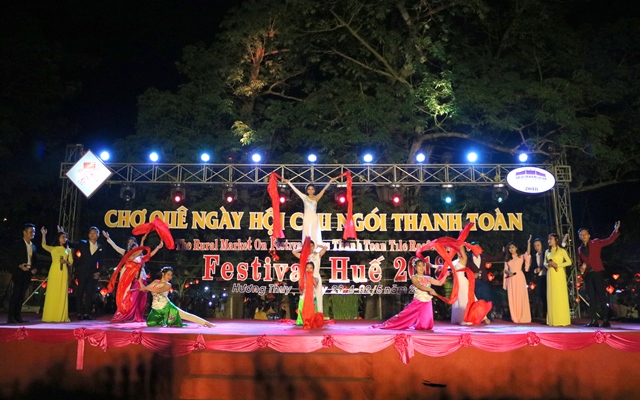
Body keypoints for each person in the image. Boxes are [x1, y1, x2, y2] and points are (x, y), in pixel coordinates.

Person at [373, 259, 447, 330]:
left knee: (426, 326)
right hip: (418, 301)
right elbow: (420, 286)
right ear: (415, 267)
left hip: (427, 302)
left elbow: (439, 283)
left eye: (423, 265)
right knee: (405, 315)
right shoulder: (414, 277)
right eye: (419, 266)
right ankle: (389, 324)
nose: (421, 268)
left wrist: (446, 275)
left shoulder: (428, 278)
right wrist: (430, 289)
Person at [105, 232, 161, 322]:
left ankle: (137, 317)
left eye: (136, 247)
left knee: (141, 300)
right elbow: (116, 247)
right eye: (132, 247)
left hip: (142, 279)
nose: (137, 250)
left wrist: (158, 247)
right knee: (131, 299)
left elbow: (149, 255)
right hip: (133, 280)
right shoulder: (129, 257)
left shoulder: (140, 257)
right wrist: (109, 239)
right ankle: (124, 315)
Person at [578, 221, 621, 328]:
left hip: (597, 272)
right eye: (581, 234)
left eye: (585, 234)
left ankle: (606, 320)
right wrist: (581, 268)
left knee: (602, 296)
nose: (583, 236)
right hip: (588, 275)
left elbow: (609, 240)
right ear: (579, 237)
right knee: (591, 297)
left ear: (589, 235)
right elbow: (580, 263)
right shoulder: (580, 249)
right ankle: (594, 320)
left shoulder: (595, 243)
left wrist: (615, 231)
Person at [139, 266, 214, 327]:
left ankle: (206, 323)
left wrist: (146, 288)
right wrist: (140, 282)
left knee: (186, 315)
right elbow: (144, 289)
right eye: (168, 274)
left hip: (167, 307)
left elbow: (158, 290)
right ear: (163, 274)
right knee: (150, 323)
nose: (170, 276)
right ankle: (162, 320)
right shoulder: (155, 282)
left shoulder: (168, 285)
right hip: (156, 309)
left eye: (171, 275)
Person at [284, 177, 338, 246]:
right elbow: (296, 190)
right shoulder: (304, 197)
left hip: (314, 218)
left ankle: (315, 248)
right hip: (306, 218)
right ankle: (306, 248)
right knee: (306, 234)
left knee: (314, 233)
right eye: (309, 189)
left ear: (314, 190)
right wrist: (289, 182)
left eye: (312, 189)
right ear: (307, 191)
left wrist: (330, 181)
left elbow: (324, 189)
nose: (310, 190)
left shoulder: (316, 198)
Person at [68, 226, 104, 321]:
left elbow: (100, 261)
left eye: (95, 233)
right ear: (88, 234)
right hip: (82, 272)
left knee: (90, 294)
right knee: (79, 293)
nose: (92, 234)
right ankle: (79, 313)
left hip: (92, 274)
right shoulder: (82, 243)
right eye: (91, 233)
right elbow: (72, 244)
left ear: (98, 235)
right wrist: (63, 236)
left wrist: (98, 272)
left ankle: (87, 313)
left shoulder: (100, 247)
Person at [40, 227, 73, 322]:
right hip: (54, 270)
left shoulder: (68, 250)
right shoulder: (53, 249)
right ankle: (50, 315)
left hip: (63, 271)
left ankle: (60, 315)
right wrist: (43, 235)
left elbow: (71, 262)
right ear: (58, 238)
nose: (65, 239)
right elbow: (43, 245)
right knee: (52, 291)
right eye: (63, 237)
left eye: (65, 237)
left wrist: (65, 261)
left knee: (62, 292)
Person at [7, 223, 38, 323]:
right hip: (19, 272)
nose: (33, 233)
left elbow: (34, 260)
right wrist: (19, 265)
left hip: (28, 273)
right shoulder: (18, 244)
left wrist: (34, 268)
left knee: (22, 295)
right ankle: (11, 316)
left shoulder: (33, 246)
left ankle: (18, 315)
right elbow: (11, 258)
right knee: (16, 294)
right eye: (31, 231)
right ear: (24, 232)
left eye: (34, 232)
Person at [465, 242, 504, 321]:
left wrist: (502, 252)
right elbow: (466, 270)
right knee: (478, 299)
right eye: (475, 247)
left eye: (478, 247)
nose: (477, 248)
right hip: (475, 282)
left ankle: (489, 316)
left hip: (484, 280)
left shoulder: (483, 256)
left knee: (487, 298)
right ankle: (479, 317)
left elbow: (494, 258)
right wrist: (472, 275)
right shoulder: (468, 259)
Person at [292, 240, 328, 316]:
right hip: (306, 278)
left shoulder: (317, 254)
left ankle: (316, 315)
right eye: (309, 246)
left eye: (312, 246)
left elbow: (325, 248)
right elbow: (294, 252)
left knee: (317, 297)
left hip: (316, 278)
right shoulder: (304, 256)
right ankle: (305, 316)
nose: (310, 247)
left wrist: (318, 246)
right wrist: (303, 248)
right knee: (305, 297)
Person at [544, 233, 572, 326]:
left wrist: (557, 265)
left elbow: (569, 262)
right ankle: (552, 319)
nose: (549, 241)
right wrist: (548, 265)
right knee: (551, 295)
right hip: (550, 273)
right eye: (548, 239)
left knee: (559, 295)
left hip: (559, 273)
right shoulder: (547, 251)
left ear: (556, 240)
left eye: (551, 239)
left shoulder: (561, 250)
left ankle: (561, 319)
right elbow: (544, 263)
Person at [503, 237, 532, 324]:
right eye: (510, 248)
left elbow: (528, 254)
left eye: (513, 247)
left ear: (516, 248)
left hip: (519, 277)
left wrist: (528, 243)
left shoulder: (521, 257)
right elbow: (505, 270)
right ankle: (515, 317)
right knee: (513, 297)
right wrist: (508, 272)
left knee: (521, 297)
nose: (511, 249)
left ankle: (523, 317)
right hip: (511, 279)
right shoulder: (507, 259)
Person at [295, 262, 320, 328]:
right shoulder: (301, 279)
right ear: (305, 269)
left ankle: (312, 321)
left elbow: (316, 285)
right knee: (302, 309)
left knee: (313, 311)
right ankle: (301, 321)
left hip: (312, 297)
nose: (309, 269)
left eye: (311, 268)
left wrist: (310, 277)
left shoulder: (316, 279)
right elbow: (300, 290)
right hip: (304, 297)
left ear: (313, 270)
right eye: (307, 268)